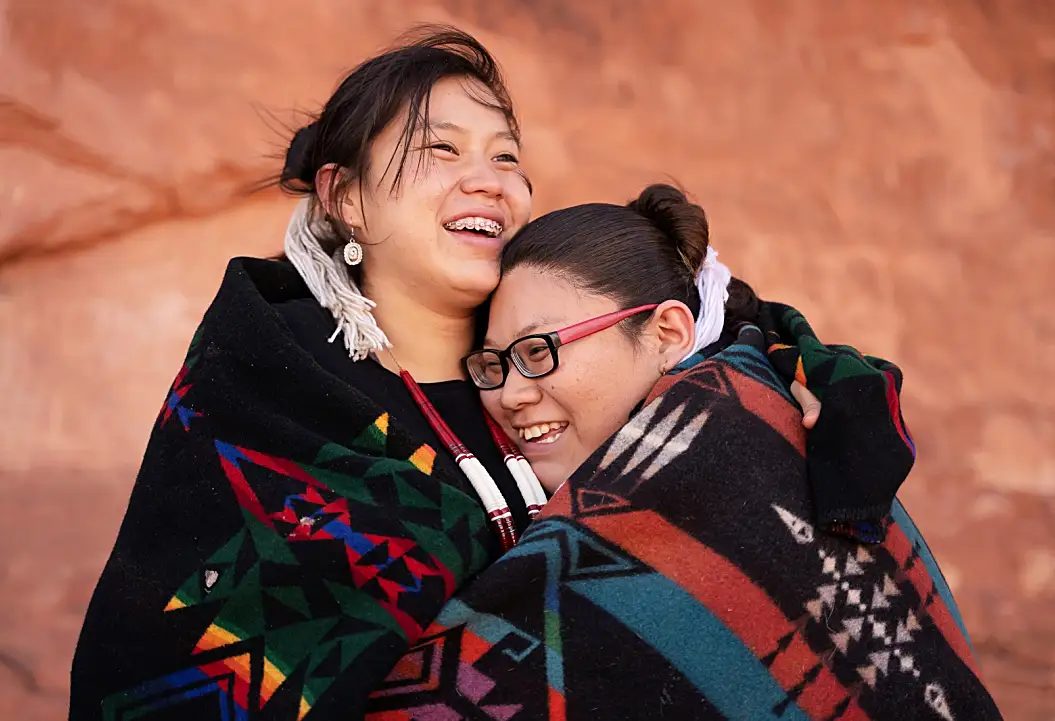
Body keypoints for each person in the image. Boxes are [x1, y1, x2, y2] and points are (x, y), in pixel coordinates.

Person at [69, 27, 894, 721]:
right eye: (441, 150)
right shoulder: (267, 394)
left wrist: (803, 368)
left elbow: (707, 318)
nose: (489, 178)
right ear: (344, 197)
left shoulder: (564, 358)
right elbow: (166, 668)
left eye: (507, 155)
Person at [366, 185, 1002, 719]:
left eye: (539, 351)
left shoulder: (728, 451)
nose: (510, 395)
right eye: (494, 365)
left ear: (667, 332)